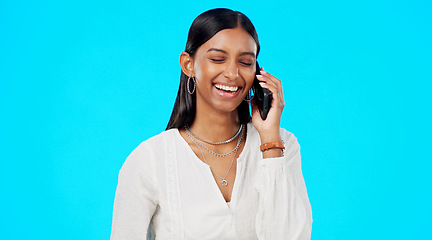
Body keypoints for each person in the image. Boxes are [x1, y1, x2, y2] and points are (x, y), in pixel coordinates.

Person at [111, 8, 312, 240]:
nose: (232, 73)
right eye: (217, 59)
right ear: (188, 65)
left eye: (246, 62)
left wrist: (270, 142)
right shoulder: (150, 159)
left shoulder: (282, 144)